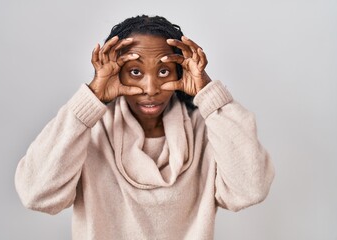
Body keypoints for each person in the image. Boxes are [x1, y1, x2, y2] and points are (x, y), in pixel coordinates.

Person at [15, 15, 275, 240]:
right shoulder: (88, 133)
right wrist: (91, 98)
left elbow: (250, 190)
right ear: (116, 72)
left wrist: (208, 92)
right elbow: (37, 194)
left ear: (180, 72)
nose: (150, 89)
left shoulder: (208, 132)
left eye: (163, 72)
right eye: (135, 72)